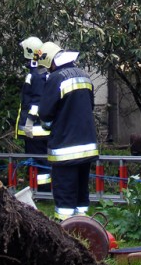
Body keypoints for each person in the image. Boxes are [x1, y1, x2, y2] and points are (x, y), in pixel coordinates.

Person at [37, 41, 99, 220]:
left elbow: (45, 114)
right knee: (81, 194)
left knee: (65, 196)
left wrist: (48, 127)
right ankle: (85, 229)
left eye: (47, 67)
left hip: (65, 150)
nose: (47, 71)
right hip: (87, 147)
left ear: (51, 62)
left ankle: (66, 231)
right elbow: (91, 107)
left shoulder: (56, 79)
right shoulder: (84, 76)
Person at [15, 36, 51, 189]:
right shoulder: (41, 72)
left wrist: (29, 122)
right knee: (39, 161)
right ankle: (40, 189)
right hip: (39, 129)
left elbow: (36, 102)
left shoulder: (35, 75)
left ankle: (42, 192)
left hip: (35, 130)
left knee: (38, 162)